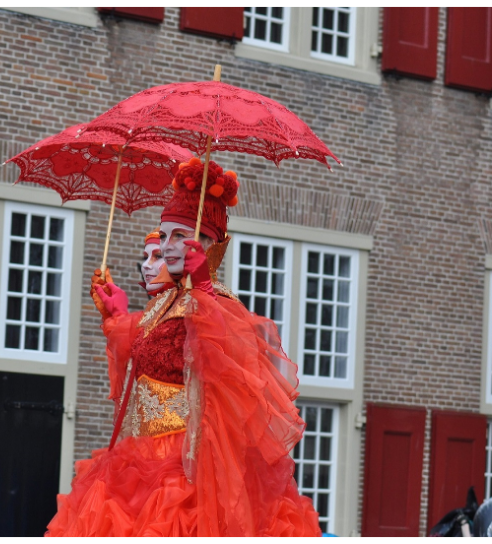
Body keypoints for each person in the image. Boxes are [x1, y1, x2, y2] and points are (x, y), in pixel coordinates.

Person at [45, 158, 321, 537]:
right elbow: (146, 352)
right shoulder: (166, 301)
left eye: (179, 237)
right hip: (138, 459)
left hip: (187, 468)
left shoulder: (219, 304)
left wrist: (203, 287)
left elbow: (225, 363)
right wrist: (116, 315)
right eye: (164, 236)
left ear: (207, 245)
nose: (167, 246)